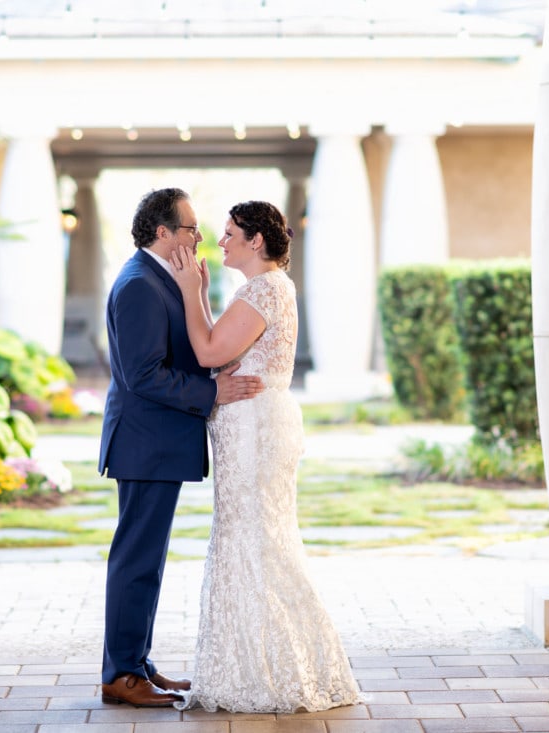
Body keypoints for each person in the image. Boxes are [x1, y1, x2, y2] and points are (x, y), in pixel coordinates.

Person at [165, 200, 362, 713]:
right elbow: (219, 347)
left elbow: (208, 354)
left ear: (256, 241)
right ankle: (263, 664)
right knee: (255, 536)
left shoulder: (262, 289)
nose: (221, 240)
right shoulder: (268, 289)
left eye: (230, 233)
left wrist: (191, 291)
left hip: (253, 427)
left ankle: (271, 672)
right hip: (254, 421)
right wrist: (202, 298)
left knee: (253, 537)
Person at [98, 188, 264, 708]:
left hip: (157, 442)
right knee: (136, 560)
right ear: (163, 232)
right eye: (191, 228)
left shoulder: (162, 278)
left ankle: (137, 663)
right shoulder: (138, 286)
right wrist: (213, 392)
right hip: (145, 443)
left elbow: (186, 348)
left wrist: (202, 301)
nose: (199, 237)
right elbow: (142, 375)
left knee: (147, 559)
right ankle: (121, 675)